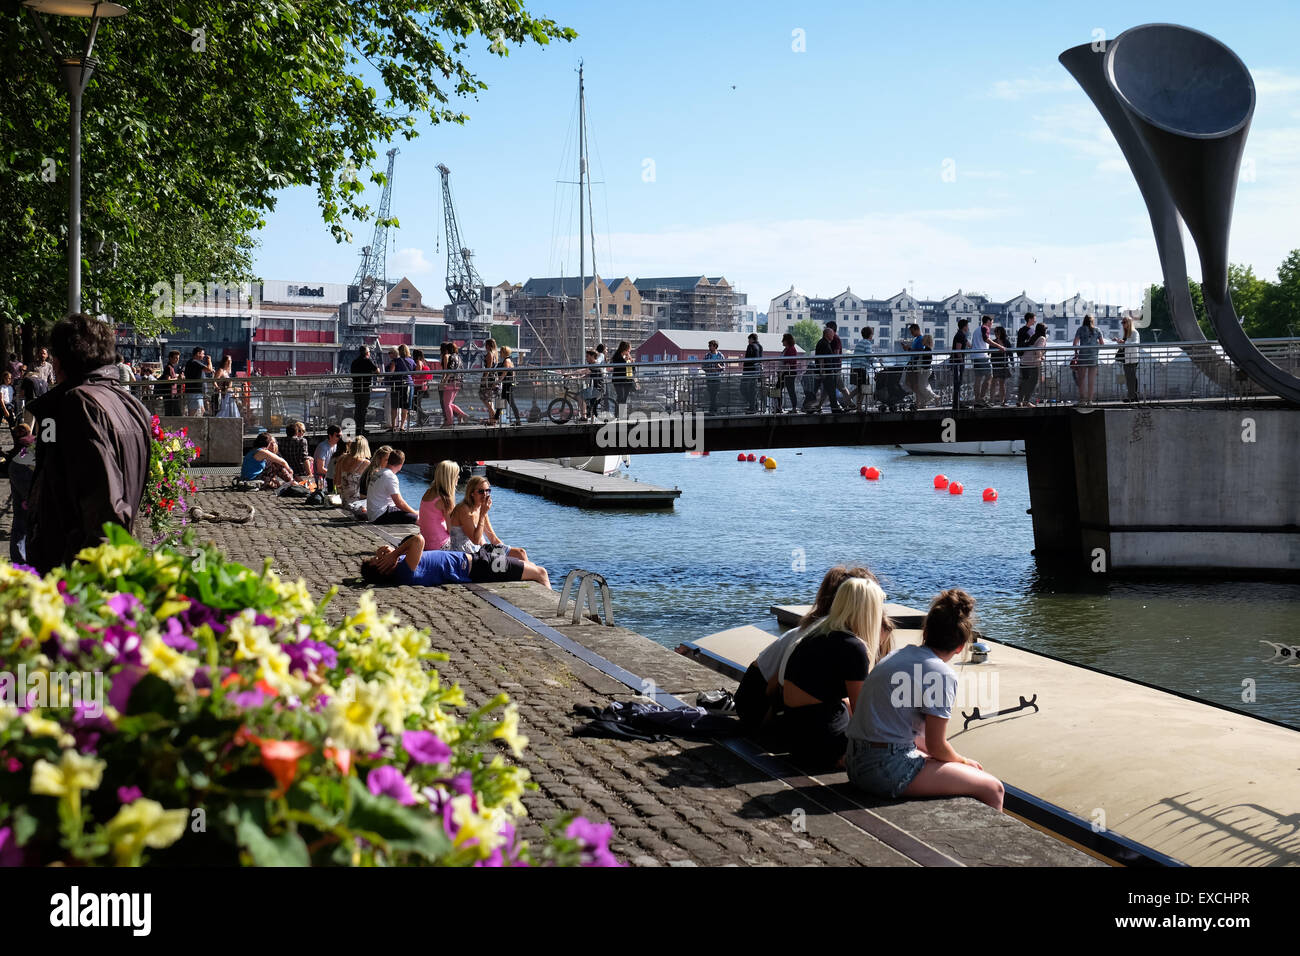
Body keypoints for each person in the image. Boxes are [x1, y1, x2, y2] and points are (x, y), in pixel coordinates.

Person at [845, 589, 1004, 811]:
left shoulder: (895, 656)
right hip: (885, 769)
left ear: (926, 632)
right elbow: (936, 746)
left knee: (949, 765)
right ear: (960, 647)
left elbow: (918, 739)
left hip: (855, 762)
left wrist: (952, 761)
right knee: (993, 788)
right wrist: (964, 762)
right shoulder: (940, 674)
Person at [23, 313, 152, 574]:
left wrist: (85, 581)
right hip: (111, 560)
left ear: (58, 362)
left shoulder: (79, 403)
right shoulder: (131, 404)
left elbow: (104, 504)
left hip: (78, 573)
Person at [735, 565, 886, 733]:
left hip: (771, 709)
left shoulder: (815, 633)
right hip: (758, 703)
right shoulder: (830, 639)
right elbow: (774, 685)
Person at [769, 577, 891, 770]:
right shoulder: (853, 648)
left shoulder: (815, 635)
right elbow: (863, 713)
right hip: (824, 743)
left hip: (794, 736)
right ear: (869, 611)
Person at [360, 533, 551, 590]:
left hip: (476, 558)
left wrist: (393, 553)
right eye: (378, 561)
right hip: (479, 567)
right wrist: (394, 554)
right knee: (540, 572)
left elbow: (411, 545)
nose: (381, 557)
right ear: (383, 571)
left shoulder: (401, 564)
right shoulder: (404, 573)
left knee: (525, 560)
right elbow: (418, 539)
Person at [449, 475, 526, 561]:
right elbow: (476, 540)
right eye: (481, 491)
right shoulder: (464, 509)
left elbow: (492, 538)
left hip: (482, 551)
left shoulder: (480, 508)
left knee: (520, 553)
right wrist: (482, 514)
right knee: (519, 557)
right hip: (468, 557)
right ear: (472, 493)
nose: (485, 494)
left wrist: (505, 554)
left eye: (487, 491)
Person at [6, 423, 37, 562]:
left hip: (19, 464)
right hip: (25, 468)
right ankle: (23, 558)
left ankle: (20, 558)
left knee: (21, 516)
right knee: (31, 515)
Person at [367, 447, 418, 524]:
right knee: (416, 518)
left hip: (373, 514)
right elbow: (399, 503)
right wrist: (415, 513)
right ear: (401, 464)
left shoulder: (378, 472)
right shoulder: (390, 476)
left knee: (415, 512)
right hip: (380, 515)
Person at [419, 459, 459, 550]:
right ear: (451, 478)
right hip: (440, 545)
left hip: (425, 544)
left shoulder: (428, 492)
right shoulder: (445, 499)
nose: (459, 477)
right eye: (457, 475)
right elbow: (451, 530)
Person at [1072, 315, 1106, 405]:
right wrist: (1096, 343)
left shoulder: (1080, 329)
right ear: (1092, 321)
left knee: (1081, 379)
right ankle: (1090, 400)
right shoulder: (1097, 330)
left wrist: (1076, 354)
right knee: (1091, 380)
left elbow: (1075, 343)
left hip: (1083, 357)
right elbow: (1102, 344)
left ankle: (1082, 400)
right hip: (1093, 357)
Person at [814, 324, 845, 413]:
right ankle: (835, 408)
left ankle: (818, 406)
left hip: (828, 371)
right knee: (831, 390)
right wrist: (822, 371)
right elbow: (821, 359)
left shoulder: (824, 343)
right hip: (827, 372)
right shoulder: (824, 343)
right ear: (827, 334)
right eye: (831, 334)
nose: (833, 336)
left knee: (827, 390)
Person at [437, 342, 470, 427]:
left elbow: (450, 371)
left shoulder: (452, 357)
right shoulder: (459, 357)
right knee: (450, 403)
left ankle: (450, 421)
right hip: (458, 382)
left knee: (446, 403)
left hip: (451, 382)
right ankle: (463, 415)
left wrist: (445, 381)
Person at [333, 435, 372, 504]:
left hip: (344, 500)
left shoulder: (341, 459)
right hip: (357, 502)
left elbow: (337, 482)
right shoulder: (366, 463)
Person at [1017, 323, 1048, 406]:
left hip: (1024, 361)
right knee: (1033, 383)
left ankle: (1019, 401)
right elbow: (1038, 351)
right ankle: (1026, 401)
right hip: (1033, 363)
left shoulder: (1033, 336)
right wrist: (1041, 357)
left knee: (1024, 381)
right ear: (1044, 330)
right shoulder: (1042, 338)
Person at [388, 345, 416, 431]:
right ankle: (402, 426)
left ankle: (393, 426)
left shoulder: (395, 361)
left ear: (399, 351)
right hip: (408, 384)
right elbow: (415, 372)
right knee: (405, 407)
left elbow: (391, 373)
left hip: (397, 384)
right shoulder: (411, 361)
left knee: (394, 406)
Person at [351, 345, 379, 431]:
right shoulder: (368, 361)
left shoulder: (354, 362)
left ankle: (357, 428)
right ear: (367, 353)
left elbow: (352, 374)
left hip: (356, 387)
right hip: (365, 388)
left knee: (357, 409)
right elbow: (377, 371)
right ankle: (362, 428)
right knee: (363, 409)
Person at [970, 316, 994, 407]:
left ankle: (977, 400)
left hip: (975, 356)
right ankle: (982, 398)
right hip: (982, 357)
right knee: (989, 376)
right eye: (991, 322)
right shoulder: (985, 328)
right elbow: (986, 339)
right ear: (987, 322)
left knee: (978, 379)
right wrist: (999, 346)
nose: (991, 325)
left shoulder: (976, 330)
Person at [182, 347, 213, 416]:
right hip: (194, 392)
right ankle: (191, 425)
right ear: (198, 353)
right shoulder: (194, 362)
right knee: (194, 411)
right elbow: (209, 369)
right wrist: (209, 360)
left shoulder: (194, 362)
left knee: (201, 411)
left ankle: (197, 425)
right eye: (203, 353)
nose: (204, 355)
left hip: (196, 392)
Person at [1118, 315, 1141, 402]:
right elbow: (1123, 347)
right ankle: (1131, 396)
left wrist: (1124, 342)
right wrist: (1120, 342)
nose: (1122, 324)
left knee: (1132, 377)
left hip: (1133, 358)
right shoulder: (1126, 334)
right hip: (1127, 358)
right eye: (1122, 322)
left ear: (1129, 323)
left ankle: (1133, 396)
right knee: (1128, 378)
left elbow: (1135, 343)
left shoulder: (1134, 332)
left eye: (1124, 322)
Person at [313, 423, 342, 492]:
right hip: (323, 480)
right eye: (337, 436)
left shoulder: (336, 446)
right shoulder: (323, 447)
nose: (340, 438)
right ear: (330, 436)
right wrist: (336, 474)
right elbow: (320, 469)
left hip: (331, 477)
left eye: (341, 436)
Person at [478, 339, 501, 424]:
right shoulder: (495, 354)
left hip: (489, 379)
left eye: (485, 345)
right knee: (489, 399)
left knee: (483, 397)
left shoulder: (489, 354)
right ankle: (492, 420)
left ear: (488, 345)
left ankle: (494, 416)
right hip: (493, 378)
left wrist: (484, 379)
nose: (484, 346)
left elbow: (488, 368)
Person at [498, 345, 522, 425]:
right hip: (507, 384)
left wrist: (498, 380)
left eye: (501, 352)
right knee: (502, 402)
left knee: (511, 403)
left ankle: (518, 420)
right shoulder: (508, 360)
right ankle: (495, 418)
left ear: (504, 353)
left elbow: (505, 372)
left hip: (507, 385)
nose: (500, 353)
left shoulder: (506, 361)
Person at [949, 318, 969, 412]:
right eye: (967, 326)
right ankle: (956, 404)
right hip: (957, 363)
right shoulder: (960, 335)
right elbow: (958, 350)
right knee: (957, 383)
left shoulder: (961, 335)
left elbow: (968, 344)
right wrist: (961, 361)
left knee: (958, 383)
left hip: (956, 362)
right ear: (965, 326)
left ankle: (957, 403)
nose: (968, 327)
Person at [610, 341, 635, 412]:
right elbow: (619, 366)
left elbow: (633, 369)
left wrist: (631, 362)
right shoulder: (617, 356)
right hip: (618, 380)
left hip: (627, 380)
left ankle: (620, 414)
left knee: (624, 398)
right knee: (620, 396)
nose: (630, 350)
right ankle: (618, 413)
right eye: (629, 349)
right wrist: (625, 360)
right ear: (625, 348)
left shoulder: (628, 356)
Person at [990, 326, 1012, 406]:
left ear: (1002, 333)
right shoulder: (993, 342)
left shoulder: (1006, 342)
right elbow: (990, 353)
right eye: (995, 333)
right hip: (995, 365)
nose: (996, 334)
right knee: (994, 383)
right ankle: (991, 401)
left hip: (1004, 365)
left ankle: (1002, 401)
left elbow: (1010, 353)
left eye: (998, 333)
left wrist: (1012, 363)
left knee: (1002, 384)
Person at [411, 349, 434, 426]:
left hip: (418, 386)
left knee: (413, 403)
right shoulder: (424, 362)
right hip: (423, 385)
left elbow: (417, 374)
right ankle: (420, 422)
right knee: (418, 404)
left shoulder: (418, 362)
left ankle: (424, 416)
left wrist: (411, 373)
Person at [779, 333, 799, 413]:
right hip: (786, 373)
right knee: (778, 388)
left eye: (783, 340)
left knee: (790, 390)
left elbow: (788, 363)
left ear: (787, 341)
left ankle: (793, 408)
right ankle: (778, 406)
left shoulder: (791, 349)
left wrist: (781, 372)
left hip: (789, 373)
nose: (782, 342)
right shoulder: (787, 349)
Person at [702, 340, 725, 415]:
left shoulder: (720, 356)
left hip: (717, 378)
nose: (709, 347)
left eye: (710, 346)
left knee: (715, 393)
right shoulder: (707, 355)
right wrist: (709, 369)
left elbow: (724, 367)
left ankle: (713, 408)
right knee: (711, 393)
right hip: (709, 377)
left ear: (715, 346)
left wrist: (719, 367)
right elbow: (703, 366)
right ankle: (713, 408)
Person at [160, 350, 182, 416]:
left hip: (172, 394)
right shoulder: (168, 368)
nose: (177, 360)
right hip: (169, 394)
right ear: (170, 358)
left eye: (178, 358)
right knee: (171, 412)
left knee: (172, 412)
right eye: (176, 358)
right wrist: (178, 379)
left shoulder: (171, 367)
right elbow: (168, 380)